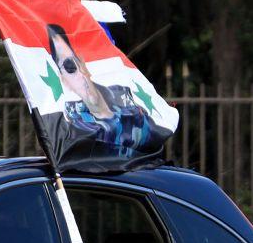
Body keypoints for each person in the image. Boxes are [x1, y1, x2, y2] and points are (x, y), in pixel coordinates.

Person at [45, 23, 170, 157]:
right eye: (69, 66)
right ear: (62, 78)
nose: (80, 70)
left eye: (92, 57)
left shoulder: (129, 101)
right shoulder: (69, 126)